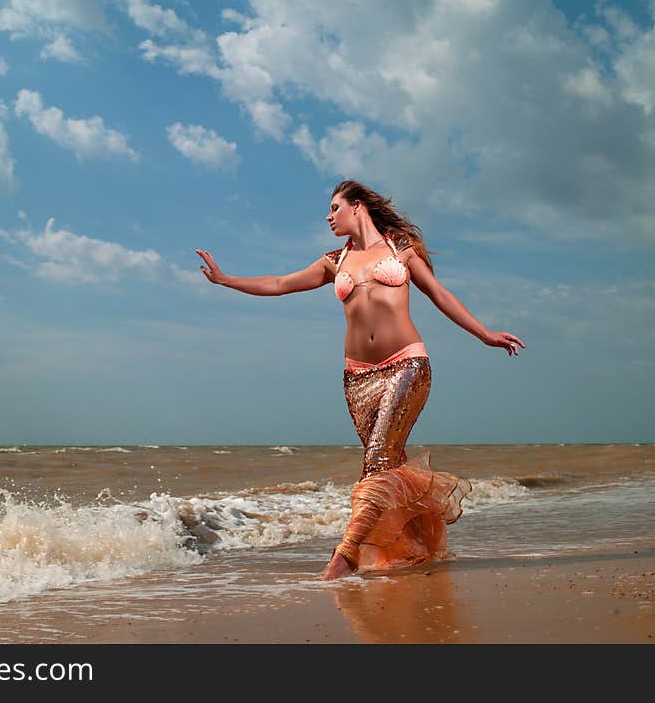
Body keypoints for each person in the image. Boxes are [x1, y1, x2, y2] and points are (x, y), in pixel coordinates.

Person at [196, 180, 525, 581]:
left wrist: (485, 334)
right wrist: (227, 280)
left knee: (377, 463)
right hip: (357, 380)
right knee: (390, 465)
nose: (328, 217)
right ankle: (416, 548)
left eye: (335, 208)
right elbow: (280, 284)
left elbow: (439, 294)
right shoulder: (335, 260)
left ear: (357, 207)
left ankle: (344, 559)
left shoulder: (399, 248)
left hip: (406, 365)